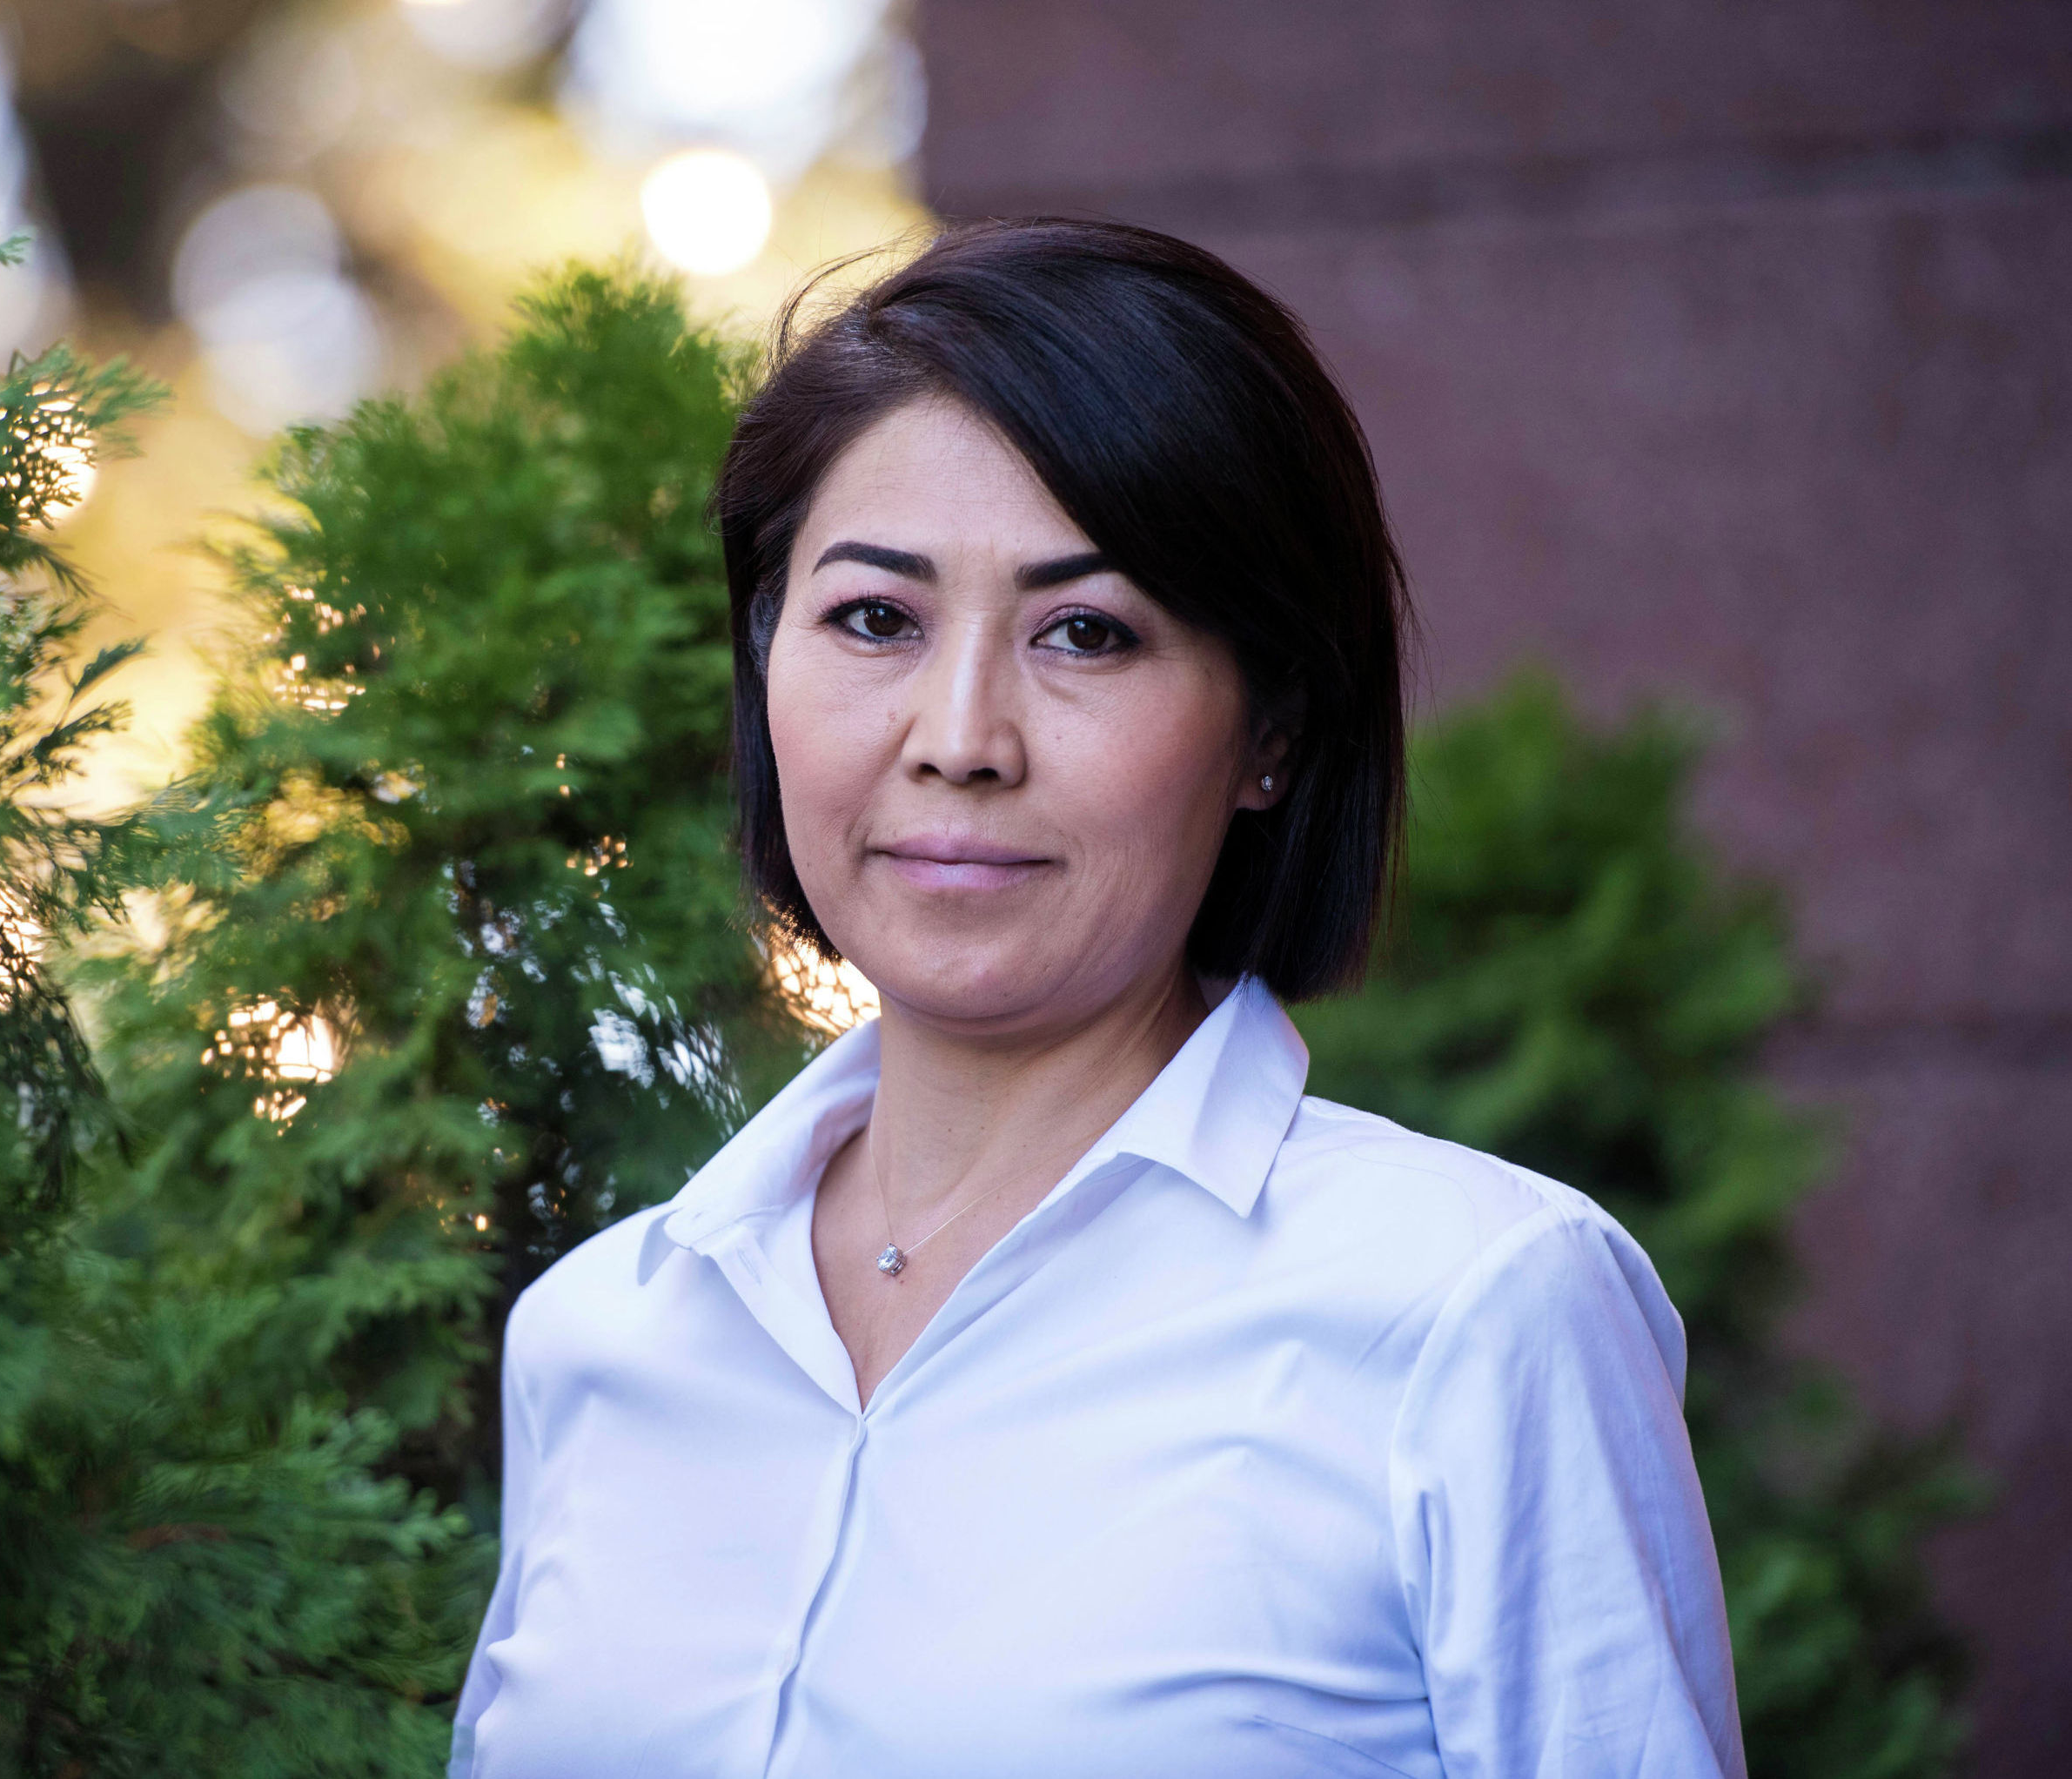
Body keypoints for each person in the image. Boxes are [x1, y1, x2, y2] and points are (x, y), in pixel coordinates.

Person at [449, 218, 1744, 1778]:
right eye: (875, 619)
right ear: (764, 666)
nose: (960, 738)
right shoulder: (602, 1333)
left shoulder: (1473, 1309)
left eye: (1086, 632)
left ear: (1271, 733)